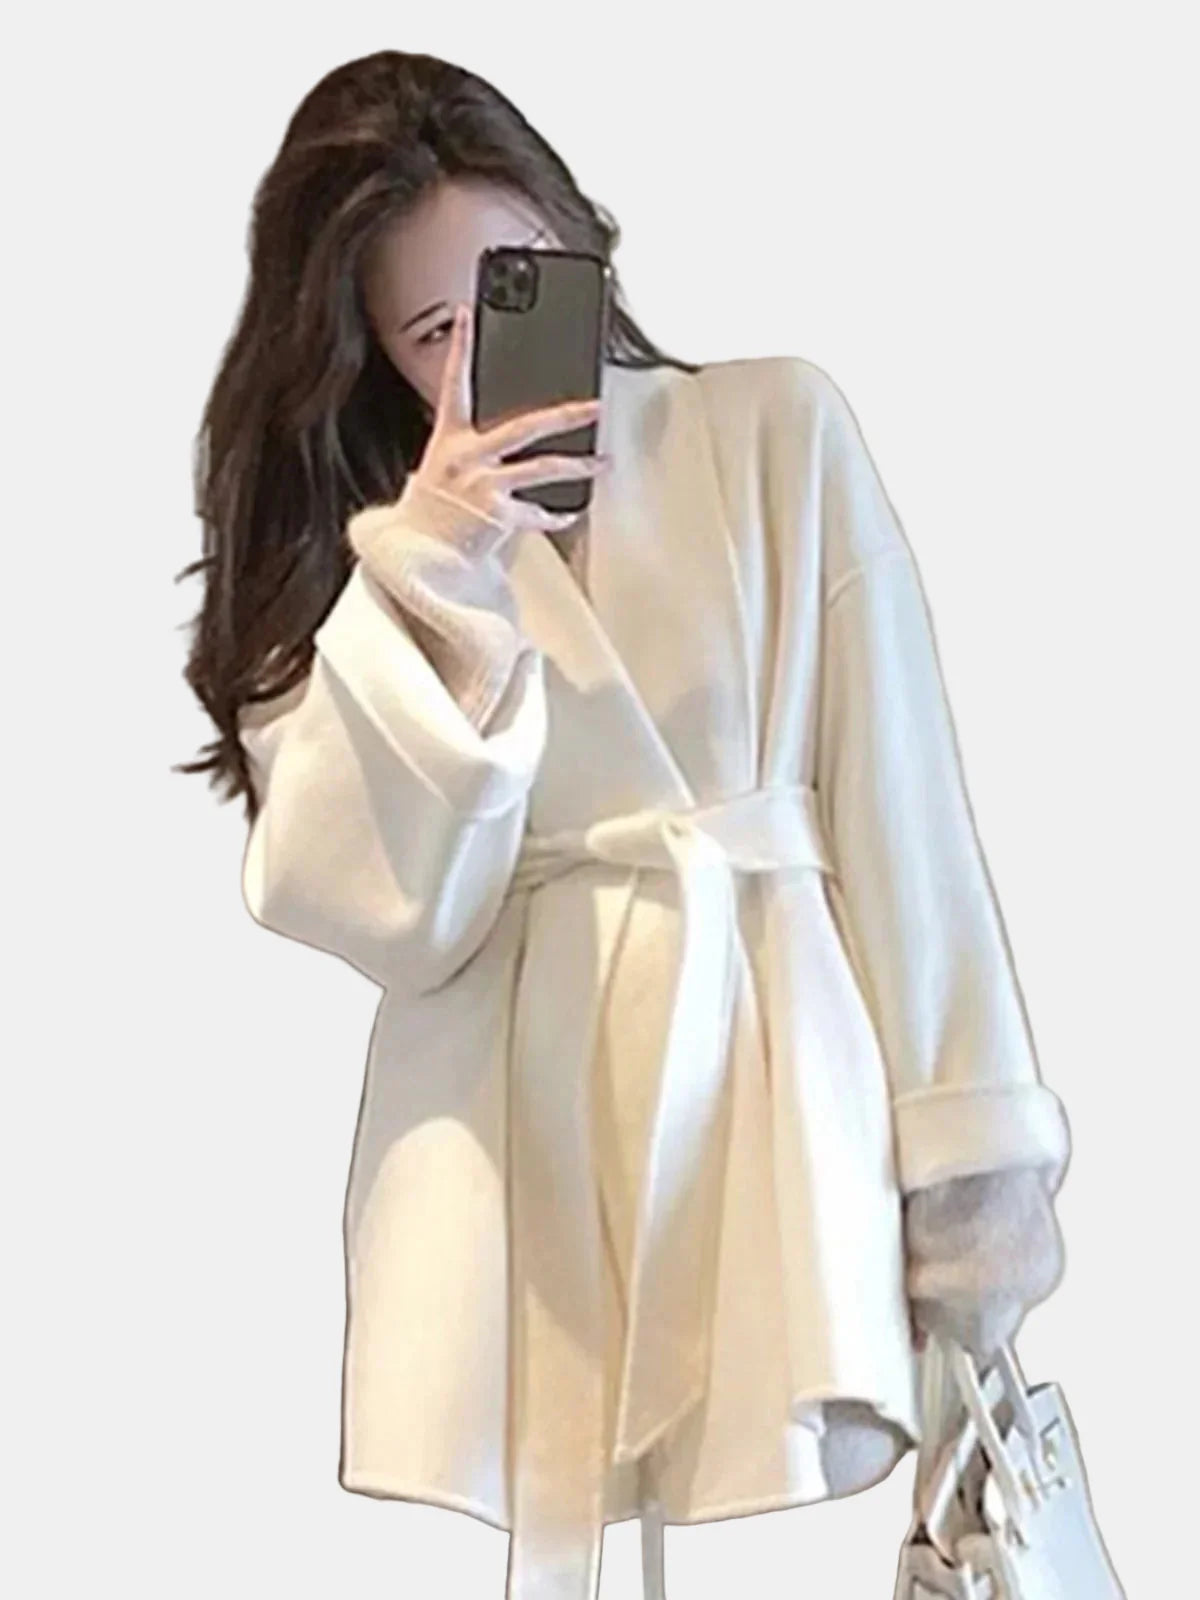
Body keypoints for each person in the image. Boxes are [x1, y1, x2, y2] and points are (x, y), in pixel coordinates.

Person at [179, 50, 1070, 1600]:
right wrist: (438, 578)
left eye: (514, 285)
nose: (484, 356)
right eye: (434, 332)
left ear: (578, 235)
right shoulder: (374, 572)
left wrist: (972, 1195)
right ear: (374, 356)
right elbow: (390, 917)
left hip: (774, 1119)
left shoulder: (774, 432)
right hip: (503, 1156)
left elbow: (905, 816)